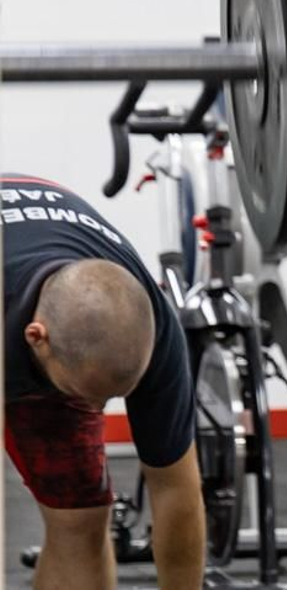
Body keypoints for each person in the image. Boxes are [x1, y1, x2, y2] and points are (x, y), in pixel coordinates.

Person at [2, 174, 202, 590]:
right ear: (37, 338)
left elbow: (175, 492)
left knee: (80, 517)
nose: (95, 415)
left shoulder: (160, 334)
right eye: (85, 397)